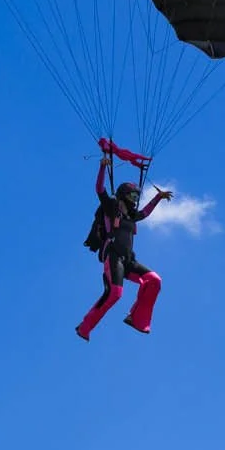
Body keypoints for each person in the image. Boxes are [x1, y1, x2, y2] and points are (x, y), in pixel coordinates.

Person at [79, 140, 170, 340]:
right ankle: (85, 327)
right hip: (113, 257)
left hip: (128, 259)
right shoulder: (111, 207)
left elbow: (145, 213)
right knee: (114, 294)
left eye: (137, 196)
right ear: (123, 195)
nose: (135, 199)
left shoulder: (130, 215)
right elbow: (99, 189)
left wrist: (158, 198)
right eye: (132, 195)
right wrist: (102, 167)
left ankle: (136, 319)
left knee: (154, 280)